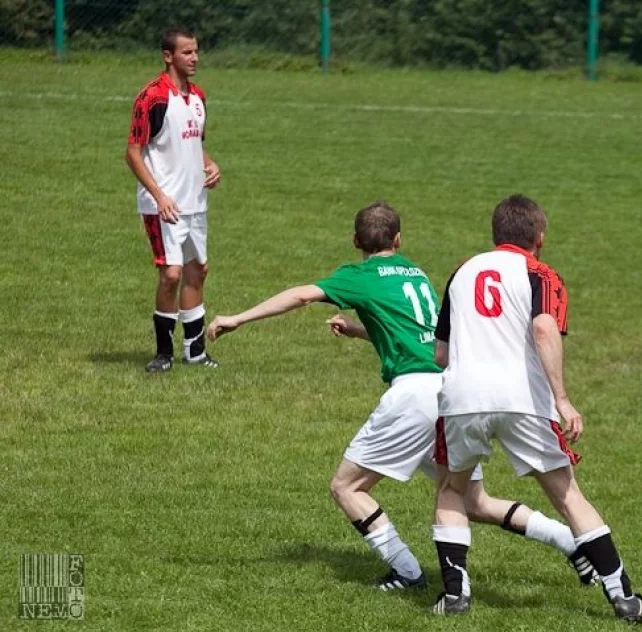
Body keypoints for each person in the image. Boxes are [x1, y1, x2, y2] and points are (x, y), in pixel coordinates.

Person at [207, 201, 597, 591]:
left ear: (355, 240)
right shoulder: (416, 272)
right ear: (398, 238)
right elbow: (418, 333)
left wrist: (238, 318)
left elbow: (301, 295)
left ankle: (406, 570)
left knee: (346, 487)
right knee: (473, 502)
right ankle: (569, 541)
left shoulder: (359, 275)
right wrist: (362, 330)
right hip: (450, 394)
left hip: (413, 396)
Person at [429, 194, 642, 623]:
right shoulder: (541, 273)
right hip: (524, 400)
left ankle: (456, 596)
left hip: (462, 398)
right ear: (539, 237)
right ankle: (625, 598)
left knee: (451, 489)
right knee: (568, 496)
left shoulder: (461, 272)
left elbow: (441, 355)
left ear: (495, 235)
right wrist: (562, 398)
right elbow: (543, 327)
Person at [126, 27, 221, 372]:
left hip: (196, 203)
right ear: (168, 56)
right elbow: (133, 153)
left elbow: (194, 145)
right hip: (164, 205)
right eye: (186, 52)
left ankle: (195, 353)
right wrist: (159, 195)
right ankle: (163, 353)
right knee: (171, 273)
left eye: (196, 51)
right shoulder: (151, 97)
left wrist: (210, 166)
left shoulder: (198, 97)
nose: (194, 58)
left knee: (198, 270)